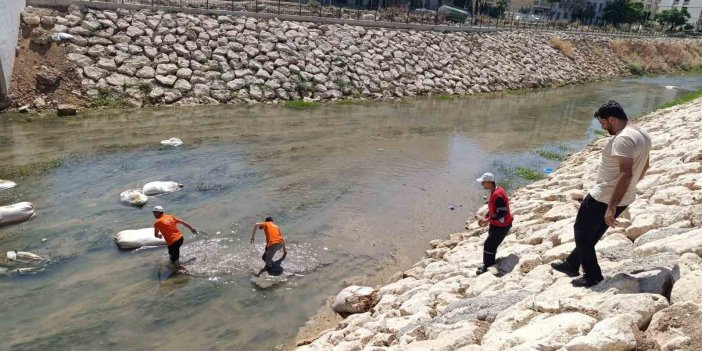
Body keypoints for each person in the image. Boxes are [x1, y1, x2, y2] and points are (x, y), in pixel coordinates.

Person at [551, 100, 651, 287]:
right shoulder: (641, 132)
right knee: (594, 232)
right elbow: (645, 165)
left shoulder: (622, 139)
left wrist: (611, 206)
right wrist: (630, 188)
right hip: (626, 195)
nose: (603, 128)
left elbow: (626, 173)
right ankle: (572, 263)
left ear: (612, 119)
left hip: (605, 195)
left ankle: (592, 276)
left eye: (603, 123)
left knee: (581, 232)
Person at [475, 172, 513, 275]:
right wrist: (486, 217)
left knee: (489, 245)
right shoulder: (494, 191)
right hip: (496, 224)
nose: (482, 184)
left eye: (483, 182)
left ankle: (487, 266)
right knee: (491, 245)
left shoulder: (498, 194)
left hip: (502, 225)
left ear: (489, 183)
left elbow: (502, 212)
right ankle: (489, 263)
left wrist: (488, 220)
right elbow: (494, 208)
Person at [153, 205, 198, 271]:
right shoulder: (170, 216)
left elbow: (156, 234)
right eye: (153, 212)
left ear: (159, 212)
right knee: (173, 255)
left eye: (155, 212)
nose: (154, 214)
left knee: (174, 261)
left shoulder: (157, 223)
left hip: (173, 242)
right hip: (180, 238)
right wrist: (191, 228)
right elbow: (183, 222)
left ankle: (185, 271)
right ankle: (178, 260)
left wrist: (159, 236)